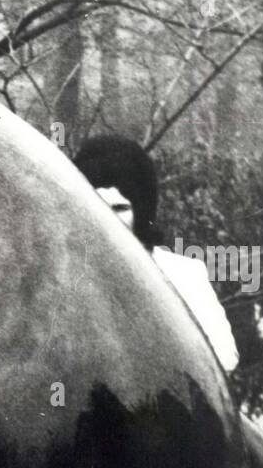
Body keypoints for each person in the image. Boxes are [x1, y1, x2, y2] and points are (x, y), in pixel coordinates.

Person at [73, 135, 240, 372]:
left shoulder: (182, 274)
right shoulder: (69, 274)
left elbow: (222, 357)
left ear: (141, 211)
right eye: (95, 206)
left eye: (120, 208)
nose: (106, 219)